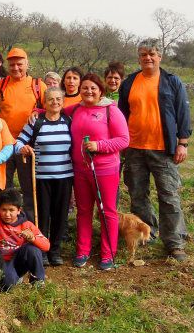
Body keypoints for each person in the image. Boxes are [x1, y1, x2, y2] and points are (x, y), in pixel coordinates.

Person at [118, 39, 191, 261]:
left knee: (169, 196)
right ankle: (147, 233)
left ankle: (175, 242)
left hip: (163, 149)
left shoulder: (172, 82)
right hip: (134, 149)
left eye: (152, 54)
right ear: (138, 58)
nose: (147, 58)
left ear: (160, 56)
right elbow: (121, 115)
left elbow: (182, 113)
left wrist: (183, 143)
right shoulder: (130, 82)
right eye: (143, 54)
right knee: (138, 196)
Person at [66, 73, 129, 270]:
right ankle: (82, 250)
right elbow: (55, 109)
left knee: (106, 211)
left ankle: (108, 253)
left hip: (105, 170)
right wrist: (38, 110)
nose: (88, 91)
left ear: (100, 90)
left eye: (93, 88)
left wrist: (99, 145)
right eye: (84, 88)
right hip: (80, 169)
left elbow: (123, 140)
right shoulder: (76, 109)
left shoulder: (110, 110)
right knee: (83, 211)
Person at [14, 87, 73, 266]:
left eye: (58, 99)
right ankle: (42, 249)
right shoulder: (36, 122)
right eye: (50, 99)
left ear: (62, 102)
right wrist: (23, 148)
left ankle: (55, 250)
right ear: (44, 103)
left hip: (65, 176)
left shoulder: (68, 121)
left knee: (60, 214)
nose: (55, 102)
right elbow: (18, 142)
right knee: (43, 215)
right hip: (41, 178)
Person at [0, 48, 46, 221]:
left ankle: (29, 224)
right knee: (4, 187)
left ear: (27, 63)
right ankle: (4, 225)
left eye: (19, 64)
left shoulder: (38, 85)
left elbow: (49, 110)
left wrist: (38, 110)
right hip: (4, 145)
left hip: (28, 146)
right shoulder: (1, 85)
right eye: (12, 64)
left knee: (29, 188)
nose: (15, 68)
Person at [0, 188, 50, 290]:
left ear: (19, 210)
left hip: (18, 261)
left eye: (11, 210)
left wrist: (33, 238)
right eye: (4, 210)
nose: (7, 214)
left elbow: (46, 246)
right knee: (8, 286)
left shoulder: (26, 225)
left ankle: (38, 282)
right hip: (0, 262)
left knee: (33, 249)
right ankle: (13, 278)